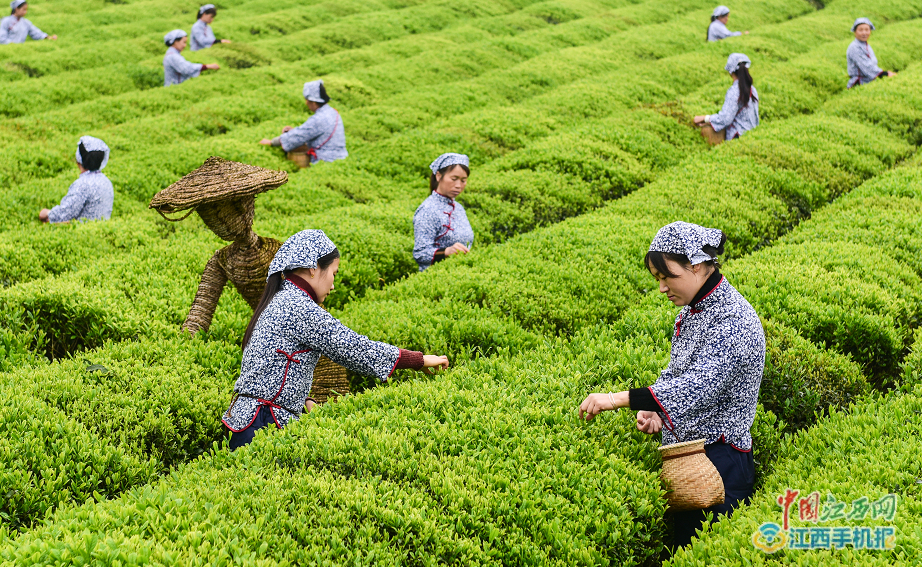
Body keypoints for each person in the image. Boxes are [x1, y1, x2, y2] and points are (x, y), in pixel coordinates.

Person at [578, 221, 765, 550]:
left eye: (668, 277)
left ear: (696, 265)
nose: (662, 287)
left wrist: (616, 399)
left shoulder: (733, 318)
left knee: (707, 551)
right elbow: (677, 374)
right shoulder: (693, 310)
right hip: (690, 457)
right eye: (658, 279)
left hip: (721, 462)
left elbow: (696, 386)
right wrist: (657, 412)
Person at [222, 230, 450, 449]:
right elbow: (353, 348)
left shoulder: (282, 299)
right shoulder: (298, 306)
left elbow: (270, 370)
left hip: (249, 419)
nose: (332, 285)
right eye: (333, 274)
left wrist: (302, 401)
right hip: (263, 423)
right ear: (313, 269)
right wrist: (418, 360)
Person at [259, 80, 347, 165]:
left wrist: (272, 142)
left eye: (307, 100)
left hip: (327, 161)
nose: (306, 103)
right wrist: (293, 131)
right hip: (340, 158)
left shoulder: (319, 118)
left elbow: (299, 135)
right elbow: (308, 132)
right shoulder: (332, 112)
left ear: (313, 102)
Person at [413, 153, 474, 271]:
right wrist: (445, 252)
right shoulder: (428, 210)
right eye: (454, 179)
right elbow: (420, 253)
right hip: (436, 278)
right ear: (438, 176)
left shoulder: (459, 208)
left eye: (463, 180)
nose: (458, 185)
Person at [39, 136, 113, 224]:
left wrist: (47, 213)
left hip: (83, 232)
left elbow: (65, 213)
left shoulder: (82, 184)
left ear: (79, 160)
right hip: (101, 230)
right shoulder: (106, 181)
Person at [693, 53, 759, 140]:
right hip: (752, 136)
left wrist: (704, 118)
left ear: (730, 71)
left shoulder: (735, 91)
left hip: (737, 136)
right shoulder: (752, 89)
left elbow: (725, 118)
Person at [847, 18, 895, 88]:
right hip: (859, 84)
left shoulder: (866, 45)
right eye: (860, 30)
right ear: (855, 32)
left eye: (867, 30)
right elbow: (866, 66)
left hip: (869, 82)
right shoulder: (854, 47)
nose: (864, 33)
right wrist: (885, 74)